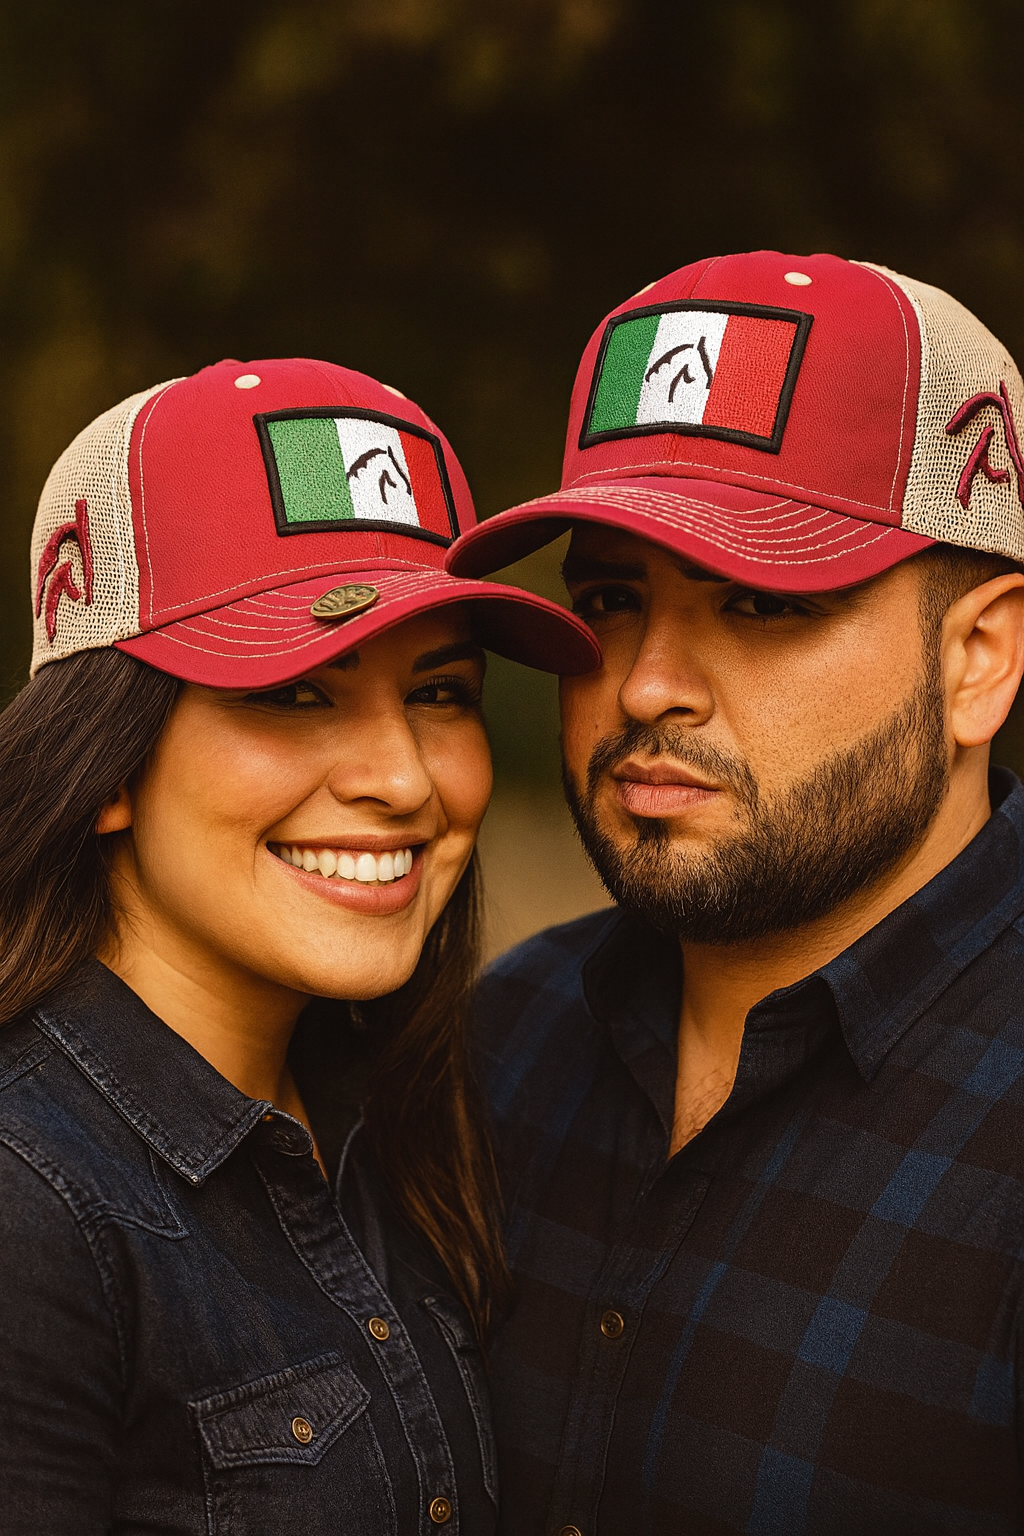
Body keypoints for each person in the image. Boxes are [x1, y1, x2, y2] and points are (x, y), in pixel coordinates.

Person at [447, 252, 1024, 1534]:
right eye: (606, 599)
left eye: (761, 602)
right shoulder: (507, 1039)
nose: (646, 683)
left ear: (976, 658)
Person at [0, 355, 597, 1534]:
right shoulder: (32, 1202)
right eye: (293, 693)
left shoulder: (394, 1121)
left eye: (440, 692)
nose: (401, 780)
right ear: (106, 762)